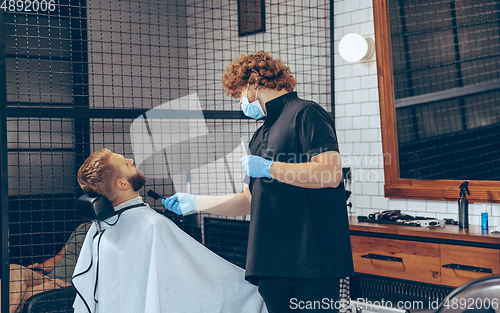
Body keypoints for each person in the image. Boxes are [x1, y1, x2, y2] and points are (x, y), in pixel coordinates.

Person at [162, 51, 354, 312]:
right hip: (271, 262)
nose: (240, 102)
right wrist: (196, 202)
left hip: (311, 261)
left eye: (239, 94)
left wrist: (269, 167)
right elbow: (248, 200)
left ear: (253, 82)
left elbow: (330, 174)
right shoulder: (259, 134)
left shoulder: (306, 113)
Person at [72, 148, 267, 313]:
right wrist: (252, 291)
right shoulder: (153, 225)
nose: (131, 160)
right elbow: (201, 280)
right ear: (122, 184)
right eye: (125, 163)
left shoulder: (100, 228)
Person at [6, 222, 90, 313]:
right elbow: (58, 258)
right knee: (14, 269)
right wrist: (40, 267)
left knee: (21, 296)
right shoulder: (82, 227)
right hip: (49, 277)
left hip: (65, 284)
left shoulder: (102, 233)